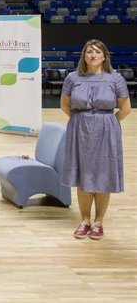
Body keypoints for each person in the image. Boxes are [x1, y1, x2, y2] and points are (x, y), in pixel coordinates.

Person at [61, 39, 131, 240]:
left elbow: (125, 109)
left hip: (106, 130)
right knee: (83, 176)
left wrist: (109, 123)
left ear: (104, 56)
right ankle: (84, 220)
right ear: (84, 55)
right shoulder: (73, 78)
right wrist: (80, 121)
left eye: (97, 52)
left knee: (102, 176)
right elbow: (65, 105)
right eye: (89, 51)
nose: (93, 55)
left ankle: (99, 222)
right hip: (80, 129)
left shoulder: (115, 79)